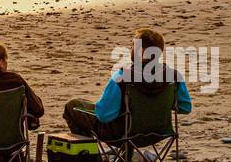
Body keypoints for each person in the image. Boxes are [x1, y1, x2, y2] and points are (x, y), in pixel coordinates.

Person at [64, 28, 192, 140]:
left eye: (133, 47)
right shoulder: (174, 77)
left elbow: (104, 116)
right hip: (158, 132)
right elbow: (185, 108)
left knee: (73, 106)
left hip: (123, 135)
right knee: (128, 115)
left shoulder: (122, 78)